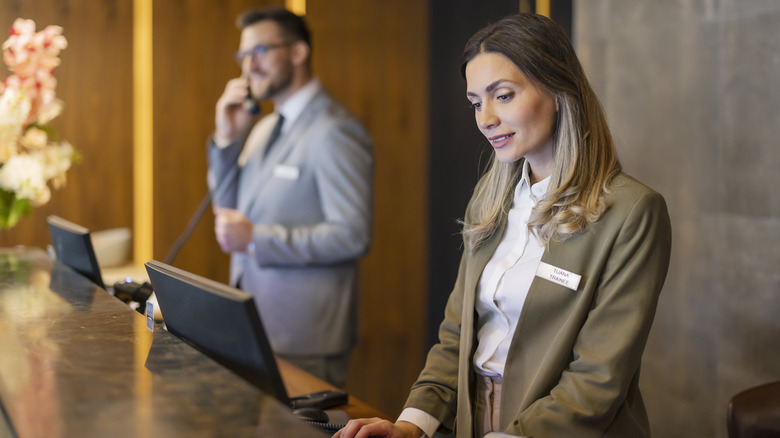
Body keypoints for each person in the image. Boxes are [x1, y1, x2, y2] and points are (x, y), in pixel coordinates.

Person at [335, 13, 671, 438]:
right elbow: (457, 335)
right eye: (476, 102)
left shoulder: (633, 211)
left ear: (558, 89)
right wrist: (410, 425)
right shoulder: (490, 198)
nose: (485, 118)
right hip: (472, 418)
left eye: (504, 96)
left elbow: (597, 379)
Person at [207, 7, 374, 388]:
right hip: (251, 324)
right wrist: (227, 139)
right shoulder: (262, 127)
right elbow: (227, 211)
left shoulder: (335, 130)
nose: (248, 66)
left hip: (304, 337)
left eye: (260, 51)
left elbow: (352, 235)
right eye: (243, 56)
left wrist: (256, 239)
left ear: (298, 53)